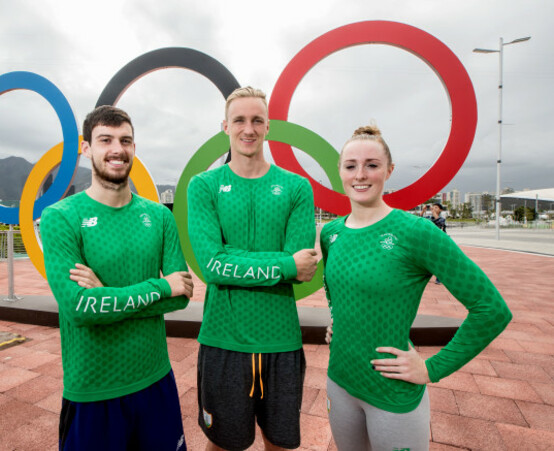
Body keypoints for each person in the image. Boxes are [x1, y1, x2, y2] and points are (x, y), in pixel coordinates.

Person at [320, 125, 512, 451]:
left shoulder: (416, 232)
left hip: (392, 395)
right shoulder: (331, 232)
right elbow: (333, 287)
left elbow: (492, 310)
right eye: (350, 165)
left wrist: (432, 368)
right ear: (339, 171)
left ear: (389, 170)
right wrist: (338, 319)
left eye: (372, 164)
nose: (360, 174)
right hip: (339, 382)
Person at [41, 105, 193, 450]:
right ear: (87, 148)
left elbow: (181, 294)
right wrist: (159, 287)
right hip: (93, 388)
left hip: (155, 380)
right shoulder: (60, 217)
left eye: (125, 140)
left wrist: (107, 298)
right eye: (105, 139)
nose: (117, 149)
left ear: (134, 149)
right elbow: (80, 308)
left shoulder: (159, 216)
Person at [187, 86, 319, 451]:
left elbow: (304, 266)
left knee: (280, 445)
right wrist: (283, 264)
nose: (249, 128)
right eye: (240, 120)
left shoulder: (296, 187)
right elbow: (212, 266)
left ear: (268, 127)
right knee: (222, 446)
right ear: (225, 127)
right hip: (222, 341)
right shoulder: (204, 186)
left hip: (281, 342)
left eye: (257, 120)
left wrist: (234, 257)